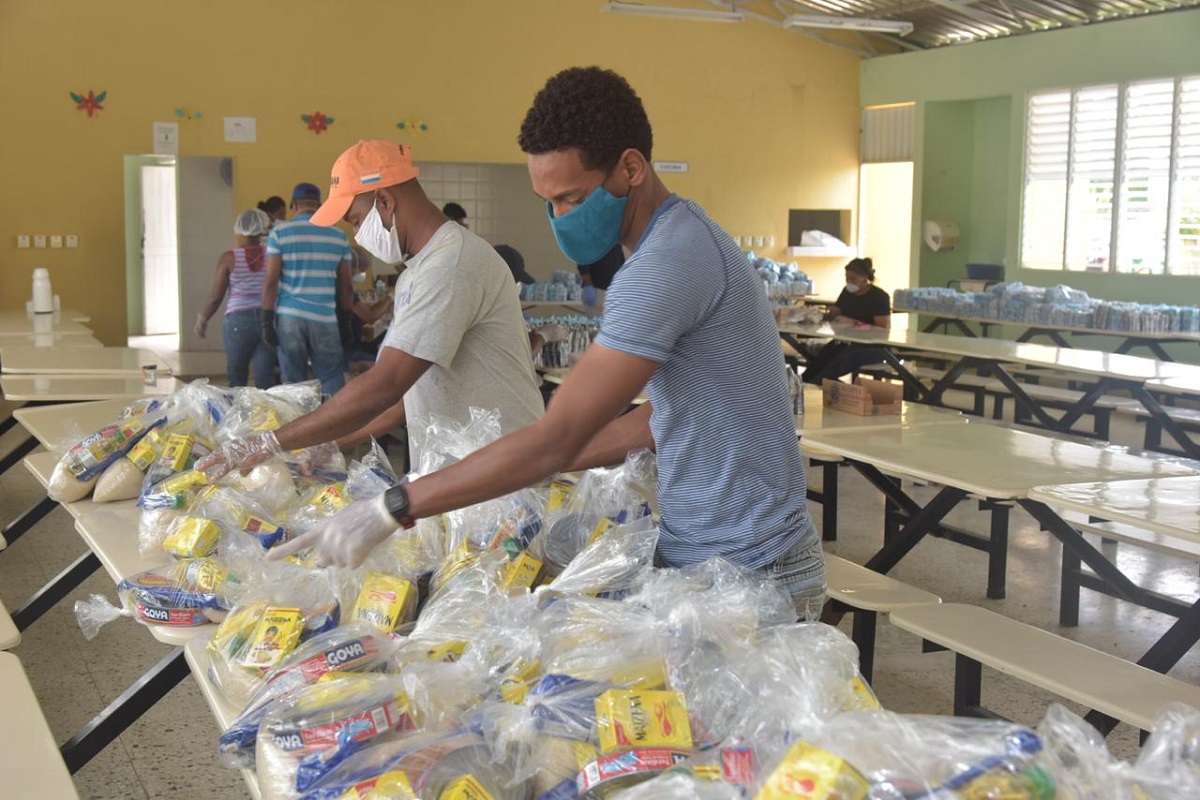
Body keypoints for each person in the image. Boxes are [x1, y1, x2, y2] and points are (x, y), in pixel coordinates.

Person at [268, 68, 826, 621]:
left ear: (631, 167)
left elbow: (557, 436)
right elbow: (667, 417)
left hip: (752, 568)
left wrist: (395, 507)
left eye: (572, 198)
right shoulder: (680, 237)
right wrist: (530, 471)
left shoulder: (665, 264)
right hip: (717, 551)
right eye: (548, 202)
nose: (560, 218)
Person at [199, 140, 544, 478]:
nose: (357, 233)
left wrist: (271, 442)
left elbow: (386, 385)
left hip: (505, 471)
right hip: (462, 468)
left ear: (384, 200)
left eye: (355, 220)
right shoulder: (416, 272)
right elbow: (406, 395)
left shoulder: (451, 266)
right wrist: (333, 443)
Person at [262, 182, 355, 397]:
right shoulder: (339, 236)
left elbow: (270, 281)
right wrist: (347, 319)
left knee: (293, 381)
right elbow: (346, 285)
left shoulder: (280, 233)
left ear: (294, 204)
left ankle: (297, 426)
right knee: (331, 375)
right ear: (320, 205)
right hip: (325, 318)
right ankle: (336, 426)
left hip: (290, 318)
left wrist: (266, 319)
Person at [194, 208, 279, 389]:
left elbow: (216, 297)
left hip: (238, 323)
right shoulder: (272, 255)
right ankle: (268, 416)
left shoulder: (229, 258)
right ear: (262, 227)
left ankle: (238, 415)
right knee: (265, 380)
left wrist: (203, 319)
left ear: (239, 229)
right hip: (267, 319)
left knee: (237, 378)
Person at [800, 257, 891, 384]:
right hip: (846, 342)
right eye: (847, 278)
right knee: (817, 364)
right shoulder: (847, 293)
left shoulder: (879, 297)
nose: (849, 281)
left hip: (871, 348)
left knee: (827, 373)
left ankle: (830, 388)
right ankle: (805, 383)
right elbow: (835, 313)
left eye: (853, 278)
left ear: (864, 278)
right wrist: (815, 315)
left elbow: (882, 329)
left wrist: (853, 323)